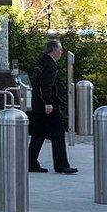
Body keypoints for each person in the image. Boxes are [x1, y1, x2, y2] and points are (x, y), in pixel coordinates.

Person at [27, 40, 77, 174]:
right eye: (60, 49)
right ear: (53, 50)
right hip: (48, 106)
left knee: (39, 134)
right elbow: (46, 85)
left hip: (37, 105)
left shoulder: (41, 62)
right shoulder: (50, 65)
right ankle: (61, 165)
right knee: (58, 134)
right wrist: (48, 102)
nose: (61, 52)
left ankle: (30, 162)